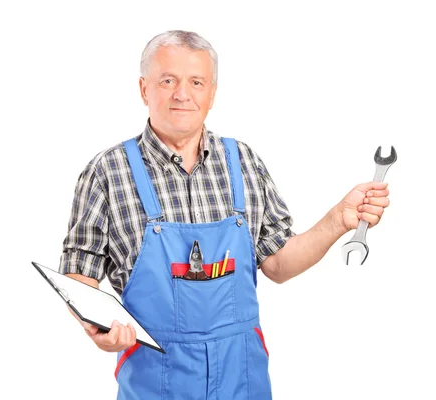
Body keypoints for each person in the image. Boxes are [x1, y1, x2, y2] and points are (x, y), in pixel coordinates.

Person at [58, 30, 390, 399]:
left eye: (196, 82)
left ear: (212, 93)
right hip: (156, 380)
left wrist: (338, 220)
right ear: (143, 89)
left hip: (242, 379)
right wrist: (101, 329)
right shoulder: (107, 172)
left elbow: (278, 263)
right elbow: (78, 276)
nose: (182, 93)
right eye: (168, 80)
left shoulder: (243, 161)